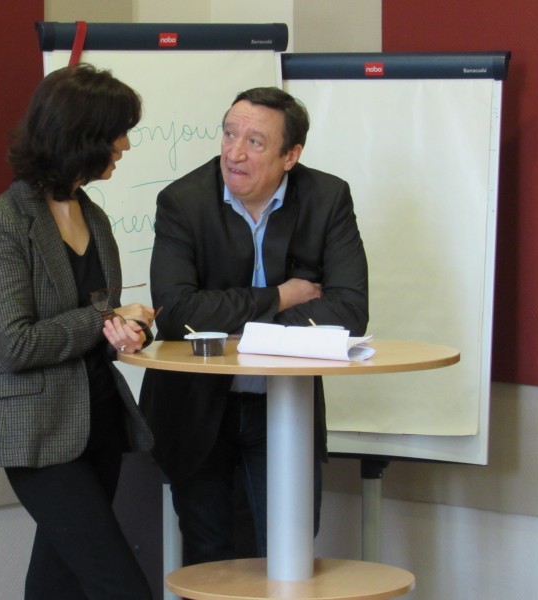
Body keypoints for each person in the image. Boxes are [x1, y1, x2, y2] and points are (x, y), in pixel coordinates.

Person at [140, 87, 368, 566]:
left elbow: (349, 311)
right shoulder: (183, 201)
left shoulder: (327, 199)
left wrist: (235, 324)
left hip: (285, 406)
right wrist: (281, 297)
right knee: (210, 562)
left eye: (255, 142)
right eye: (229, 134)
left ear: (291, 156)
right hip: (198, 410)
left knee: (288, 553)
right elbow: (177, 314)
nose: (234, 152)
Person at [0, 63, 157, 600]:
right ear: (83, 134)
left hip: (100, 424)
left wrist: (129, 329)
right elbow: (16, 343)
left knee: (58, 586)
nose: (125, 145)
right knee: (119, 586)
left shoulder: (94, 216)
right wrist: (103, 321)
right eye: (118, 131)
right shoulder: (2, 222)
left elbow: (101, 320)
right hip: (36, 434)